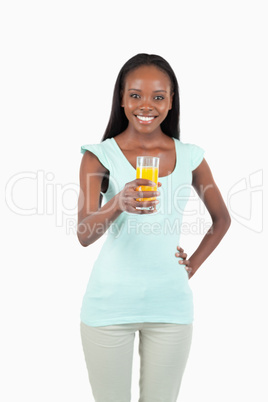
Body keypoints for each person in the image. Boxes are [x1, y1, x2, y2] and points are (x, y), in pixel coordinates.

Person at [77, 53, 231, 402]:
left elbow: (221, 220)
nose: (146, 105)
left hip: (171, 307)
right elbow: (84, 234)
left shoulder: (190, 156)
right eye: (135, 95)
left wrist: (191, 265)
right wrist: (118, 202)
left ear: (171, 101)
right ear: (121, 98)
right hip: (109, 306)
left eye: (158, 96)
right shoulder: (98, 155)